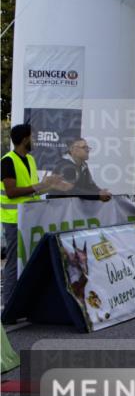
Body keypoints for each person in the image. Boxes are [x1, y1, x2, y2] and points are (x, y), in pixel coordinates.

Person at [2, 124, 72, 306]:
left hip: (30, 219)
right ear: (25, 138)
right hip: (14, 220)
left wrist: (51, 185)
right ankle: (8, 307)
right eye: (32, 137)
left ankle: (23, 304)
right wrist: (41, 185)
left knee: (28, 262)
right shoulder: (8, 161)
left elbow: (33, 191)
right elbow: (11, 192)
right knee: (13, 264)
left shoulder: (30, 160)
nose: (34, 141)